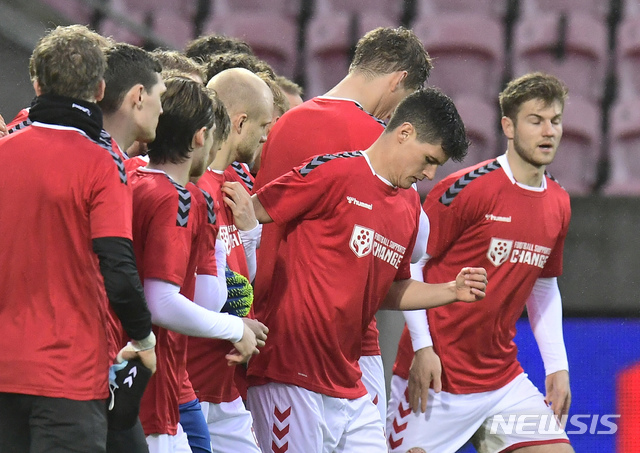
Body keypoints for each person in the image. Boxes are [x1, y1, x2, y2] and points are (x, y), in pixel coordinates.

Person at [235, 87, 485, 453]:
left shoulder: (409, 209)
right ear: (404, 133)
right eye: (429, 159)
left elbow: (390, 289)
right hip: (288, 373)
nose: (430, 173)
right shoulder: (333, 172)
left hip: (349, 380)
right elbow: (250, 214)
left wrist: (450, 290)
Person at [253, 25, 432, 424]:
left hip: (272, 323)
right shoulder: (381, 143)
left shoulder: (285, 124)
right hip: (348, 339)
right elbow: (417, 244)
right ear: (398, 80)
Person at [387, 72, 575, 453]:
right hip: (436, 377)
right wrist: (423, 348)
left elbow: (542, 283)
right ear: (508, 125)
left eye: (555, 121)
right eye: (535, 120)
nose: (548, 131)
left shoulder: (559, 201)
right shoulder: (466, 188)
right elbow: (411, 266)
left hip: (501, 381)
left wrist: (557, 364)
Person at [0, 24, 156, 453]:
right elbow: (118, 266)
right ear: (101, 88)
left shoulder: (4, 152)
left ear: (35, 83)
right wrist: (143, 339)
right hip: (68, 375)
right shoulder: (103, 164)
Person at [116, 76, 267, 453]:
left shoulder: (130, 175)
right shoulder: (178, 199)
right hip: (152, 382)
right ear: (201, 137)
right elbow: (170, 300)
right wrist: (234, 326)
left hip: (134, 374)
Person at [186, 67, 274, 453]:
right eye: (263, 125)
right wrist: (233, 326)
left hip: (225, 390)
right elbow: (167, 290)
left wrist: (251, 232)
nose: (267, 136)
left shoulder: (236, 190)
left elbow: (241, 282)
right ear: (239, 123)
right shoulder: (190, 185)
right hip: (182, 385)